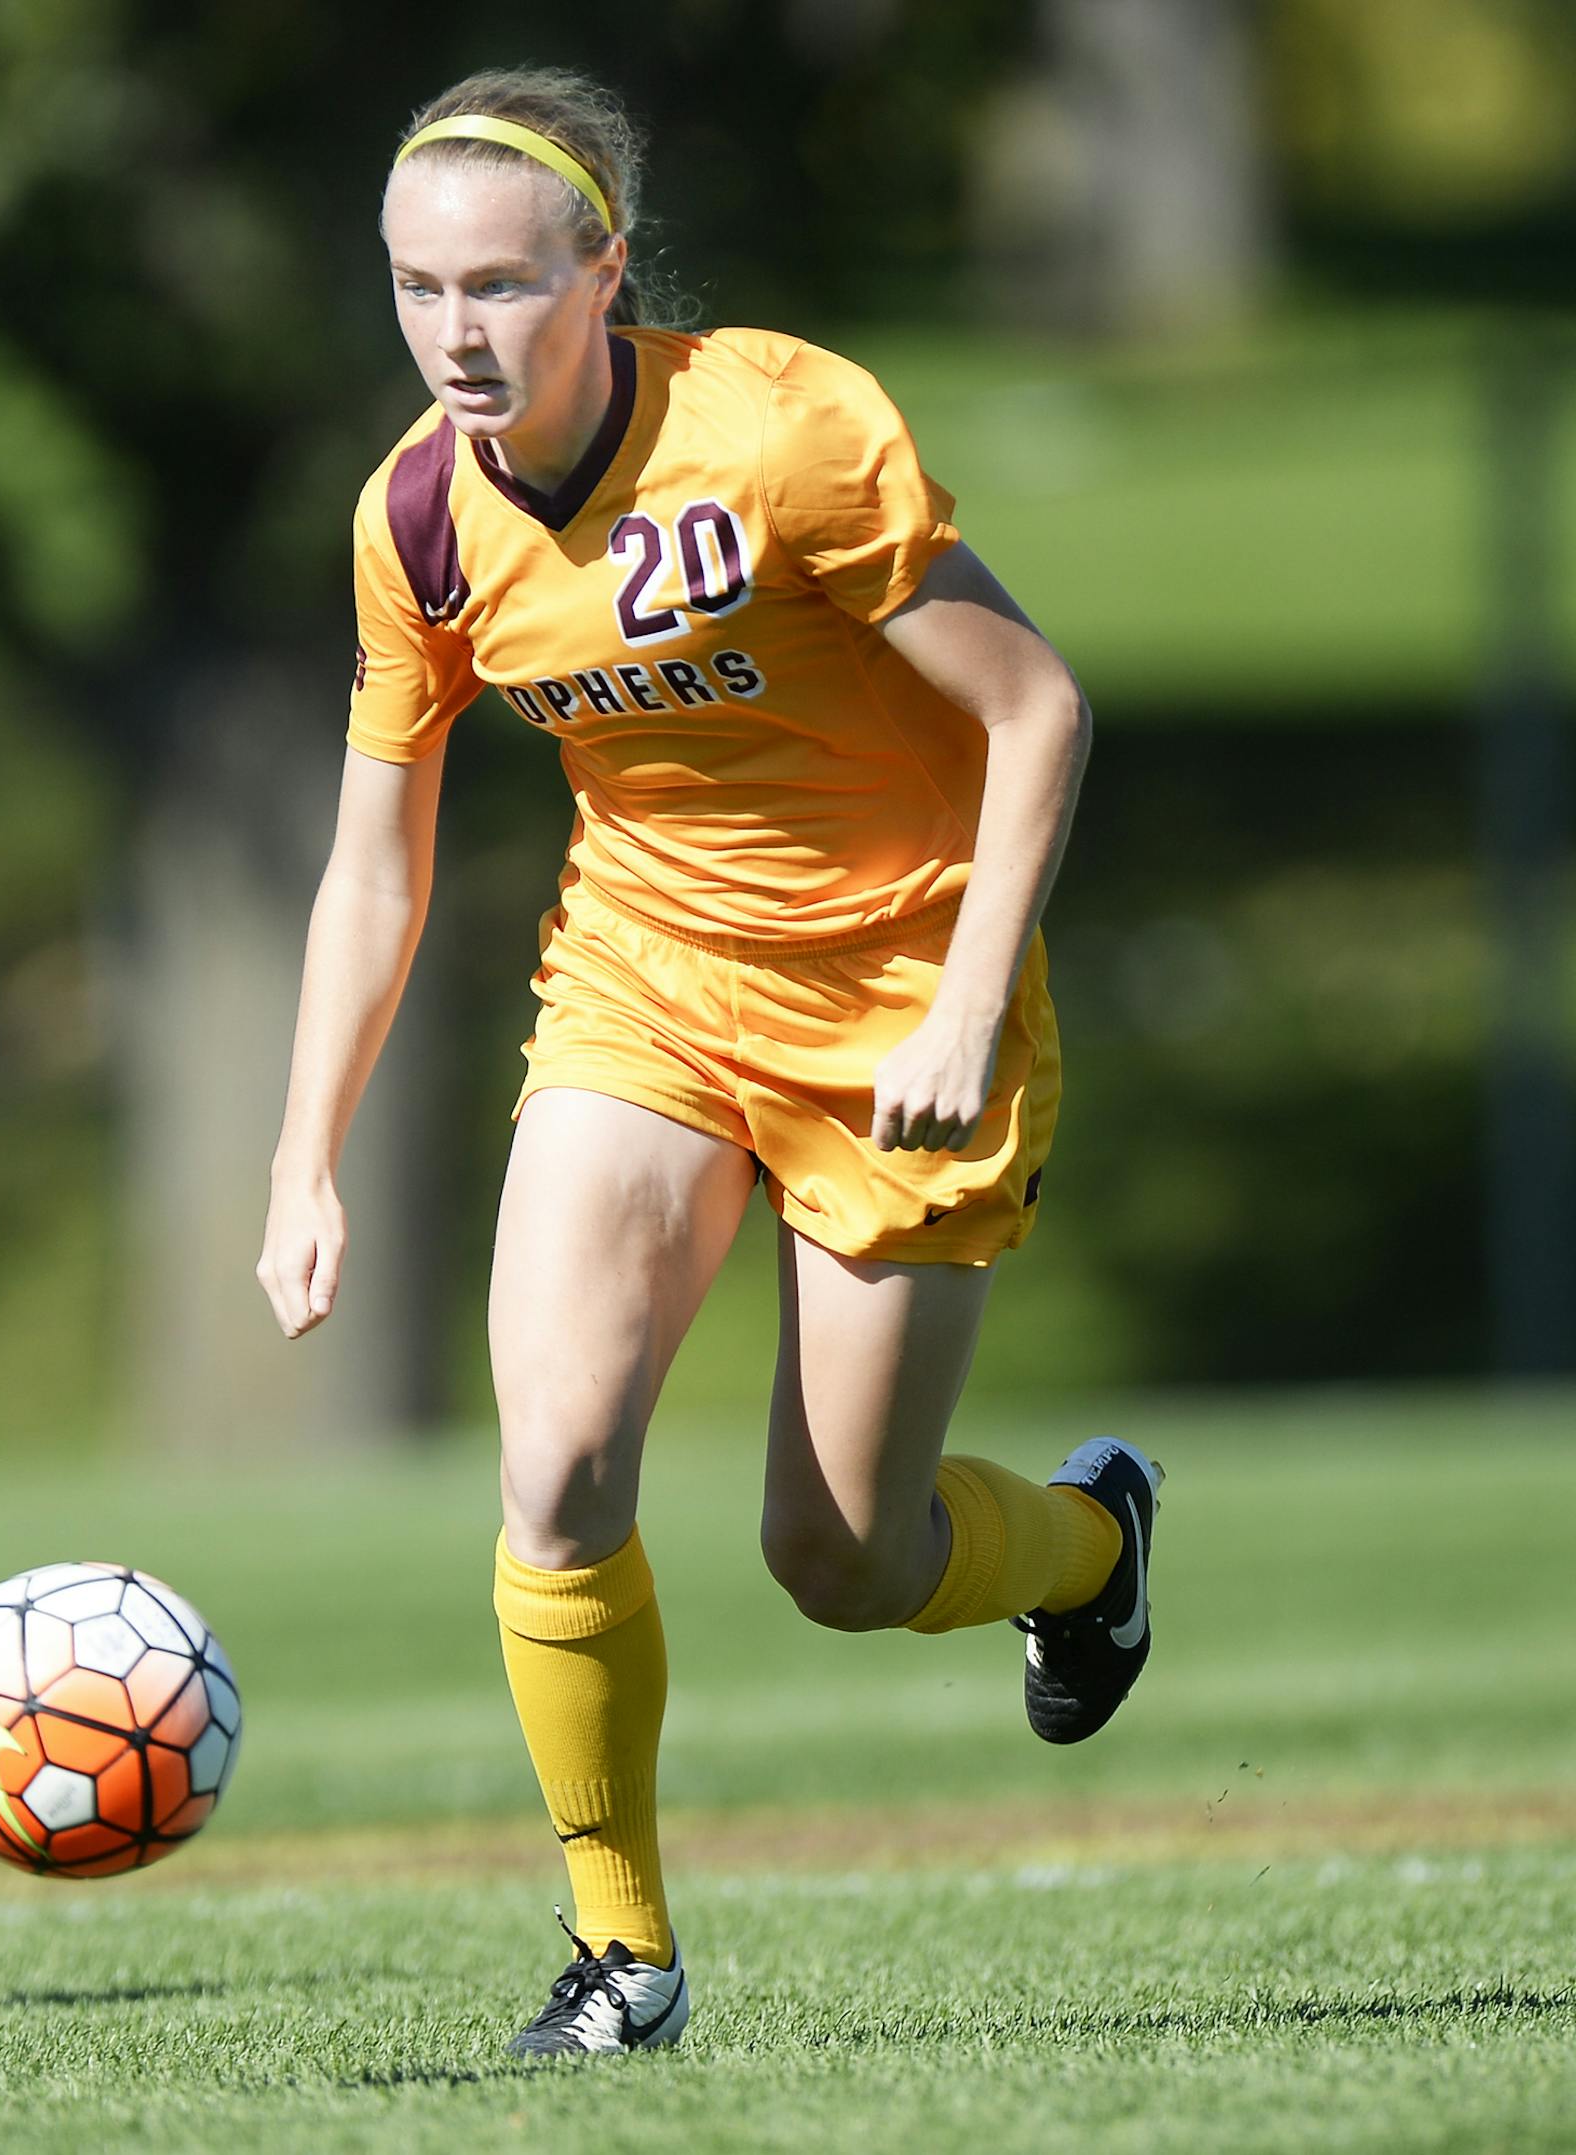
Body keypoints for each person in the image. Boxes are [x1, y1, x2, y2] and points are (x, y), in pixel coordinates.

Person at [257, 65, 1163, 2058]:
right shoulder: (415, 517)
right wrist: (301, 1152)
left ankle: (1090, 1544)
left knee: (843, 1555)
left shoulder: (783, 430)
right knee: (558, 1465)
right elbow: (369, 867)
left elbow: (1039, 712)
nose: (455, 334)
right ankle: (622, 1955)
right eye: (416, 287)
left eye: (499, 283)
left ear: (610, 270)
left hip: (904, 989)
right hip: (646, 987)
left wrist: (959, 997)